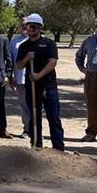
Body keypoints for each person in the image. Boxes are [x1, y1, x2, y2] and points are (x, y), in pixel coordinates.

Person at [15, 13, 65, 151]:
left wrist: (39, 75)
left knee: (53, 117)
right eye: (29, 26)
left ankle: (58, 148)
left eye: (35, 27)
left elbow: (52, 62)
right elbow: (19, 65)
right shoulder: (24, 46)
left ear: (40, 28)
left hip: (48, 86)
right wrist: (26, 58)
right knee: (34, 117)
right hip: (31, 87)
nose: (32, 29)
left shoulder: (48, 43)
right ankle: (36, 144)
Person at [8, 18, 31, 139]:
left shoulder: (39, 38)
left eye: (27, 25)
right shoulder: (14, 41)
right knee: (24, 104)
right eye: (22, 25)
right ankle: (27, 129)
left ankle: (36, 129)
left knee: (36, 104)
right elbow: (10, 59)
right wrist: (10, 77)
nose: (25, 27)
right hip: (20, 78)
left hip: (35, 78)